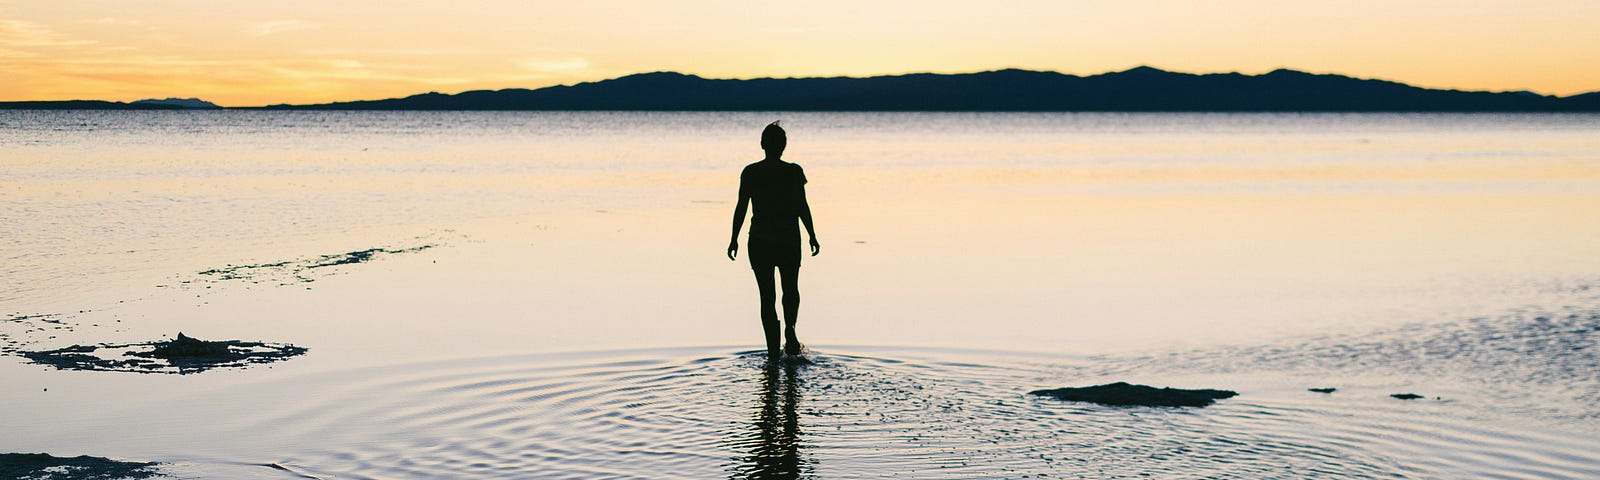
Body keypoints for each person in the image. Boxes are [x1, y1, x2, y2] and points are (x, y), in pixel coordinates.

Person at [728, 121, 819, 358]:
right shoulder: (793, 171)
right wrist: (812, 234)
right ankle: (790, 330)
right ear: (783, 147)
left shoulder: (751, 172)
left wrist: (733, 238)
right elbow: (802, 206)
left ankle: (772, 353)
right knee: (790, 289)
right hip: (788, 240)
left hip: (759, 241)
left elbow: (741, 208)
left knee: (766, 297)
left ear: (762, 145)